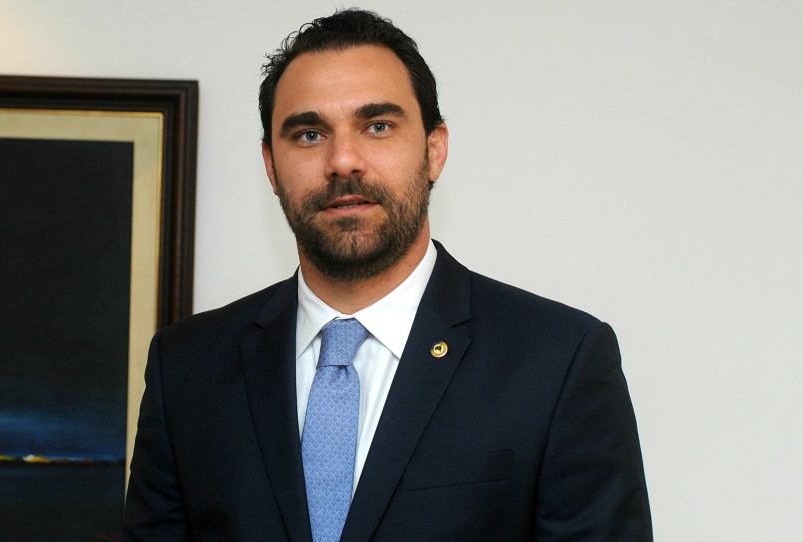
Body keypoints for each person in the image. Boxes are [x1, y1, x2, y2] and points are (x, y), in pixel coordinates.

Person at [123, 8, 653, 541]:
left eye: (377, 126)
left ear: (434, 150)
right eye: (309, 134)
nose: (343, 161)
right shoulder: (185, 369)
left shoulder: (558, 362)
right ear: (271, 167)